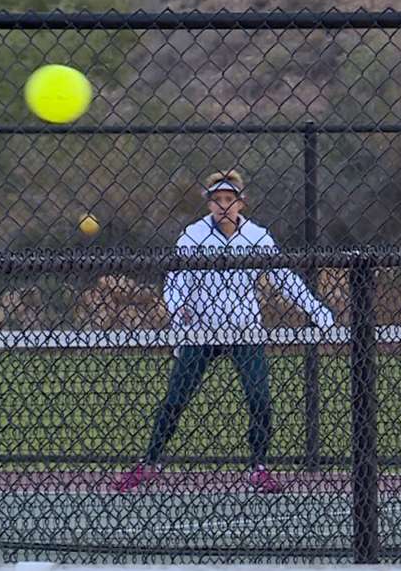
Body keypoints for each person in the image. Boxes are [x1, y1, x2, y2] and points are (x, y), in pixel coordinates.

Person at [113, 169, 335, 493]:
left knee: (260, 399)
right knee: (176, 398)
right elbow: (176, 283)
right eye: (216, 200)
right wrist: (180, 314)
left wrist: (317, 312)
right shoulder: (192, 235)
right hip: (202, 333)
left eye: (229, 200)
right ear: (209, 205)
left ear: (241, 204)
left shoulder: (257, 237)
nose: (222, 206)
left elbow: (284, 278)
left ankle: (259, 467)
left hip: (244, 331)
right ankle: (150, 463)